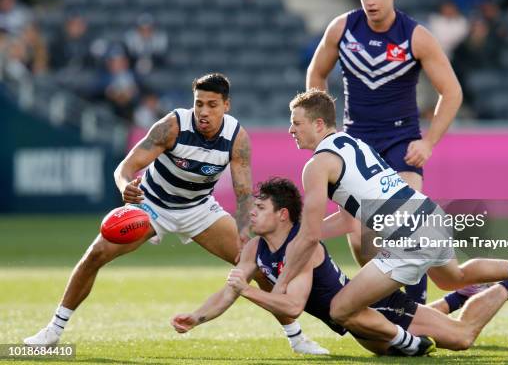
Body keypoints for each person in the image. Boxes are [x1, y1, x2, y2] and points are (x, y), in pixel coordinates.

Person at [23, 73, 326, 355]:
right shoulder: (173, 126)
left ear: (226, 105)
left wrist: (245, 231)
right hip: (151, 205)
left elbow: (244, 194)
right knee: (95, 254)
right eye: (198, 104)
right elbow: (125, 168)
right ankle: (53, 331)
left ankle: (297, 338)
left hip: (198, 209)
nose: (203, 112)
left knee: (256, 265)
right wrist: (126, 186)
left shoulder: (237, 138)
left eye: (212, 105)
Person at [274, 89, 508, 349]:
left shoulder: (316, 166)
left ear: (317, 123)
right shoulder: (351, 143)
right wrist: (301, 235)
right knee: (452, 278)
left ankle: (410, 344)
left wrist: (283, 280)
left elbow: (310, 235)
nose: (291, 130)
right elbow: (346, 222)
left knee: (339, 310)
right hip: (428, 214)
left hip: (407, 236)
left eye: (296, 123)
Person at [172, 177, 508, 356]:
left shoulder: (300, 248)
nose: (250, 213)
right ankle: (458, 297)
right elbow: (229, 288)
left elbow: (290, 307)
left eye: (259, 208)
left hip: (373, 311)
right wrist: (197, 317)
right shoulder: (255, 246)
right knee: (429, 316)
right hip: (356, 323)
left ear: (283, 215)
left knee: (461, 338)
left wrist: (248, 290)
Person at [305, 0, 462, 303]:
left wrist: (429, 142)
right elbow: (316, 73)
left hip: (400, 141)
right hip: (356, 143)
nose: (371, 2)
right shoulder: (342, 28)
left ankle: (415, 311)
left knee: (407, 231)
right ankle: (400, 304)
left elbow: (451, 92)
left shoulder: (415, 36)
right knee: (362, 244)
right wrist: (323, 131)